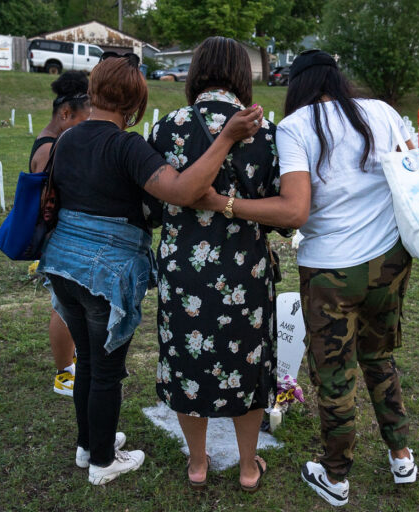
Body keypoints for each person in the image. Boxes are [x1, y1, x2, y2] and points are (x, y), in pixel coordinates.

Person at [38, 54, 263, 486]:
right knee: (106, 369)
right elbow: (181, 191)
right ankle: (104, 462)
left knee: (86, 360)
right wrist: (226, 138)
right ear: (137, 104)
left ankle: (90, 445)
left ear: (93, 90)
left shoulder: (67, 139)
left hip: (62, 266)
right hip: (103, 273)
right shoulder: (127, 145)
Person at [148, 36, 304, 493]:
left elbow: (153, 208)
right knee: (248, 367)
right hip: (245, 273)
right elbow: (282, 216)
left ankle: (197, 463)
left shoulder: (165, 129)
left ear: (196, 73)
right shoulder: (270, 133)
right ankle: (247, 467)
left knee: (185, 362)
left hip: (183, 272)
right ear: (243, 75)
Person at [276, 50, 418, 507]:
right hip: (389, 261)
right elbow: (416, 174)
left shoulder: (295, 127)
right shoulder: (381, 112)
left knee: (335, 376)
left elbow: (295, 209)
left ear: (296, 86)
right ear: (337, 79)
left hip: (331, 270)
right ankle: (401, 456)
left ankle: (335, 477)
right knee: (379, 357)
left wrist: (230, 205)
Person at [29, 71, 91, 397]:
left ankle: (71, 362)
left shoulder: (53, 141)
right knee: (62, 306)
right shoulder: (50, 149)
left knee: (69, 304)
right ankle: (64, 374)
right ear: (65, 114)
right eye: (83, 120)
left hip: (61, 237)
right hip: (57, 238)